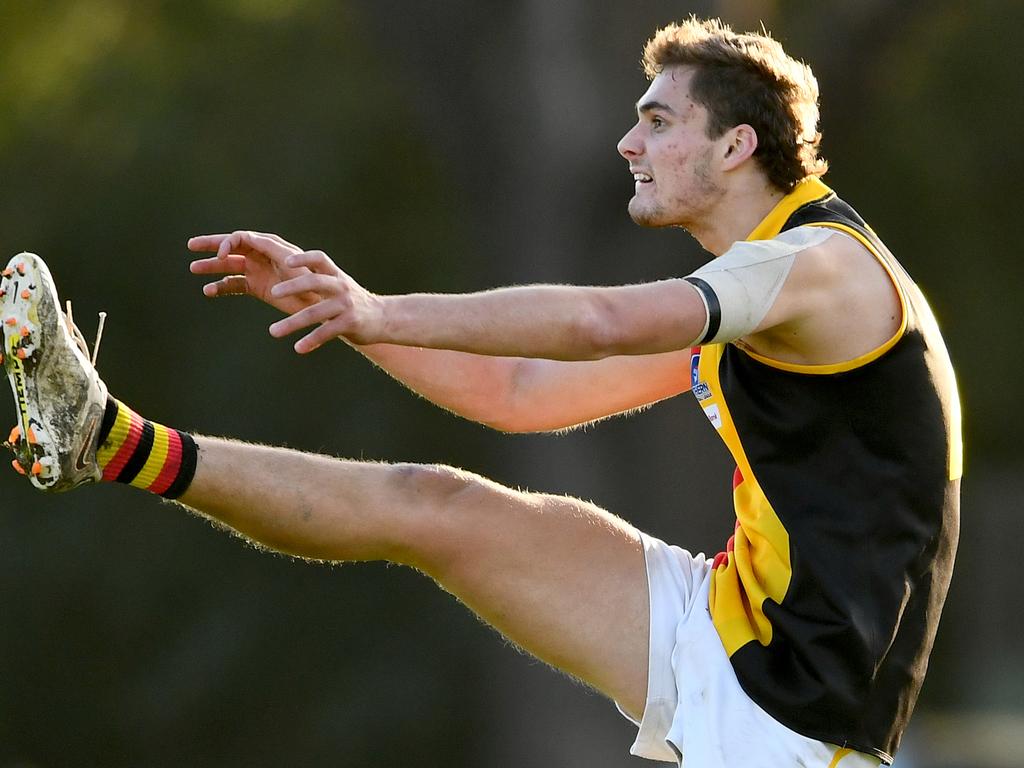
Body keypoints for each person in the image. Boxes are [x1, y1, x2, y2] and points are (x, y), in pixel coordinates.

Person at [1, 16, 959, 768]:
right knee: (435, 505)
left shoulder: (818, 267)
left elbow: (600, 325)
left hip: (799, 721)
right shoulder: (759, 294)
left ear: (737, 145)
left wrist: (380, 310)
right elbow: (520, 389)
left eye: (659, 121)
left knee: (439, 510)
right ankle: (106, 439)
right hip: (730, 623)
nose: (629, 142)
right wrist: (344, 316)